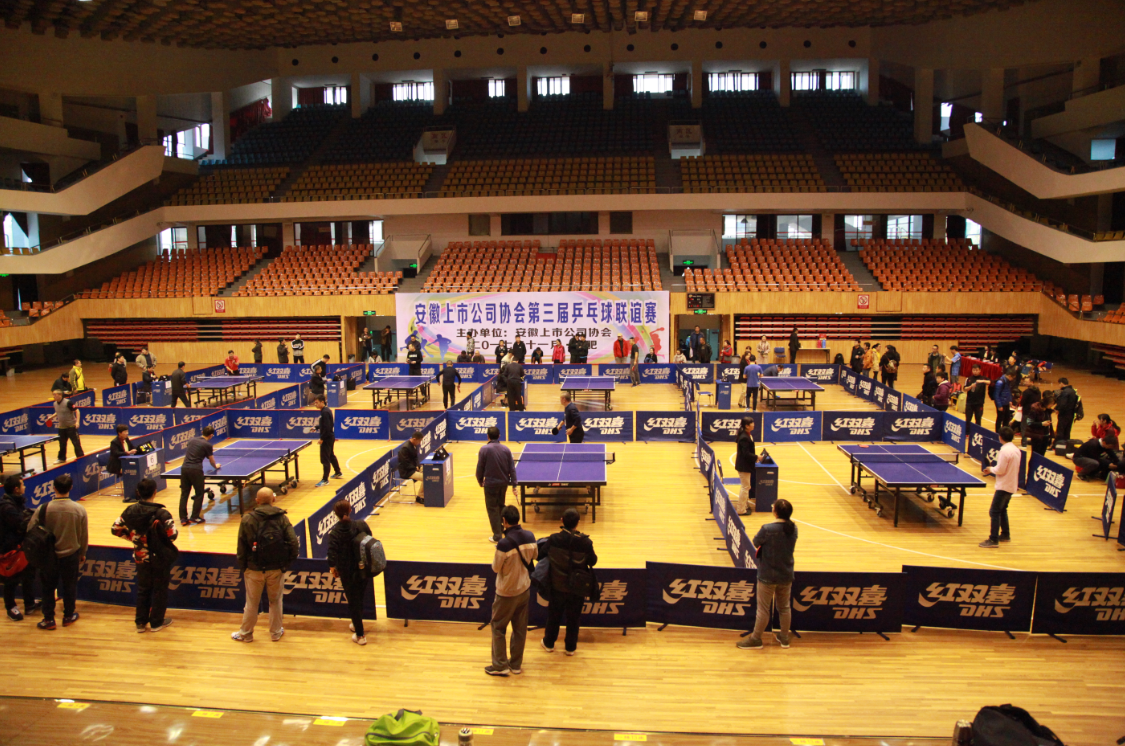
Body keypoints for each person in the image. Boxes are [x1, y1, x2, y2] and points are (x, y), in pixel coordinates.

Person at [232, 488, 300, 643]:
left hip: (253, 570)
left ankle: (246, 634)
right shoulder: (282, 518)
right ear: (273, 499)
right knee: (275, 602)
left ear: (257, 501)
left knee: (251, 603)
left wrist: (244, 568)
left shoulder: (247, 519)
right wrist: (285, 564)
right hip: (276, 569)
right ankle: (276, 633)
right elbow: (293, 543)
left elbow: (241, 547)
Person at [111, 477, 177, 633]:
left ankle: (140, 623)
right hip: (159, 558)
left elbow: (115, 529)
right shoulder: (162, 513)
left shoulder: (129, 511)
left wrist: (134, 538)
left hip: (141, 557)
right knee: (159, 590)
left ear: (138, 492)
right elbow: (172, 535)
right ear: (155, 492)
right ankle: (156, 623)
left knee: (143, 589)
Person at [28, 474, 88, 630]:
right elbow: (83, 535)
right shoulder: (79, 509)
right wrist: (82, 552)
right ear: (71, 488)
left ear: (53, 488)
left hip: (48, 557)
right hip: (71, 555)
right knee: (70, 587)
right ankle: (68, 616)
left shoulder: (43, 509)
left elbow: (30, 530)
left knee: (47, 588)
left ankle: (48, 619)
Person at [736, 499, 796, 650]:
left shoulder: (768, 528)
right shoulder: (793, 528)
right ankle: (784, 638)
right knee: (784, 608)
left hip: (767, 575)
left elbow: (756, 542)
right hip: (786, 574)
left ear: (775, 512)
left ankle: (756, 639)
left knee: (763, 609)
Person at [486, 505, 537, 676]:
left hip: (506, 593)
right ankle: (515, 664)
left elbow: (495, 568)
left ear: (504, 521)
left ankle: (500, 665)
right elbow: (535, 555)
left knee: (498, 627)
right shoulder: (530, 536)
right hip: (524, 589)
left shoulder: (503, 544)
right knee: (520, 628)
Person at [541, 508, 597, 656]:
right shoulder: (586, 542)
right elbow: (593, 561)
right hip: (577, 588)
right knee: (574, 617)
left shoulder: (554, 539)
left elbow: (541, 554)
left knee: (554, 615)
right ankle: (570, 648)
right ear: (578, 523)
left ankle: (549, 643)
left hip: (557, 586)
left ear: (561, 521)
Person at [326, 500, 373, 646]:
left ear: (335, 514)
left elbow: (332, 554)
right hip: (363, 568)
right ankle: (356, 622)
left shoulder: (335, 533)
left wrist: (333, 568)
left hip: (347, 572)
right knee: (358, 598)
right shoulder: (361, 525)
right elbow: (370, 539)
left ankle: (360, 635)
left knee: (353, 602)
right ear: (350, 510)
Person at [1, 475, 40, 622]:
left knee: (28, 574)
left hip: (22, 545)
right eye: (22, 485)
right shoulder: (7, 507)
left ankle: (29, 603)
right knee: (11, 579)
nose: (25, 487)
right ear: (16, 489)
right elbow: (20, 524)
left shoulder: (16, 502)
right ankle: (11, 607)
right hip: (9, 548)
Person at [476, 426, 518, 544]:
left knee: (492, 509)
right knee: (500, 505)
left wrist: (480, 481)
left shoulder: (484, 449)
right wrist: (514, 485)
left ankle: (497, 535)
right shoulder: (506, 449)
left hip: (490, 485)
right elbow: (512, 468)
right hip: (503, 484)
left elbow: (480, 468)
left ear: (488, 436)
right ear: (499, 436)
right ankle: (504, 528)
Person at [980, 427, 1020, 548]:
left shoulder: (1004, 451)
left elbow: (1000, 470)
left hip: (1004, 486)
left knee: (994, 511)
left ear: (1000, 437)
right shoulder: (1016, 450)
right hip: (1012, 484)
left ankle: (993, 540)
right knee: (1002, 510)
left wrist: (990, 469)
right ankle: (1005, 534)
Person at [179, 426, 219, 526]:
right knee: (199, 493)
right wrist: (216, 466)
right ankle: (194, 517)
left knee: (184, 493)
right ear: (211, 435)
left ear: (202, 432)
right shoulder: (207, 445)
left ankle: (183, 518)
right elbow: (211, 460)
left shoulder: (191, 440)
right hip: (196, 470)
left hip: (184, 468)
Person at [312, 396, 343, 487]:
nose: (315, 404)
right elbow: (326, 424)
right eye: (315, 402)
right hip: (330, 437)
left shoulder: (325, 412)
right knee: (331, 455)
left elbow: (327, 427)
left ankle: (325, 480)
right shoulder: (326, 410)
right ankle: (338, 472)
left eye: (317, 402)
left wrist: (322, 438)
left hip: (327, 438)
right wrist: (316, 427)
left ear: (322, 402)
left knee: (325, 459)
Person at [735, 418, 763, 515]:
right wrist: (757, 457)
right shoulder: (744, 437)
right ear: (747, 426)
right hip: (744, 466)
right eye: (752, 423)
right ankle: (741, 510)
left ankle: (744, 506)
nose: (754, 424)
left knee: (746, 486)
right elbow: (745, 454)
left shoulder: (747, 435)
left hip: (746, 465)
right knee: (745, 487)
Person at [49, 390, 83, 464]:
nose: (54, 396)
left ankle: (81, 458)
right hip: (62, 427)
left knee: (76, 443)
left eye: (55, 394)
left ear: (60, 395)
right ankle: (61, 458)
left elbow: (77, 411)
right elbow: (58, 412)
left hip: (71, 427)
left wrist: (77, 422)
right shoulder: (55, 404)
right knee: (62, 444)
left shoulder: (68, 402)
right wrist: (51, 417)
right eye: (53, 394)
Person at [107, 424, 137, 493]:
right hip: (116, 465)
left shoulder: (126, 439)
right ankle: (128, 490)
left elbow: (132, 447)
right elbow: (116, 453)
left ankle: (134, 488)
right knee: (130, 471)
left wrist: (136, 449)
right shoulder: (114, 442)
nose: (127, 433)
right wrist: (128, 452)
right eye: (125, 432)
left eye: (127, 431)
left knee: (136, 468)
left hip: (126, 462)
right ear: (119, 433)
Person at [398, 430, 424, 504]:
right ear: (414, 439)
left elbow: (415, 458)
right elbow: (405, 463)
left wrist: (418, 466)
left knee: (428, 470)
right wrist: (415, 468)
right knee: (426, 477)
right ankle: (420, 497)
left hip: (413, 468)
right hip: (407, 471)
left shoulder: (413, 445)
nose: (420, 443)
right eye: (419, 441)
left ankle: (428, 493)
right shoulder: (405, 448)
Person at [1053, 378, 1078, 445]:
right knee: (1067, 431)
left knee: (1060, 431)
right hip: (1071, 414)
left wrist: (1057, 409)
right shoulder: (1073, 391)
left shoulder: (1065, 392)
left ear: (1061, 383)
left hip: (1064, 414)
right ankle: (1066, 445)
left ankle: (1057, 445)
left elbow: (1062, 403)